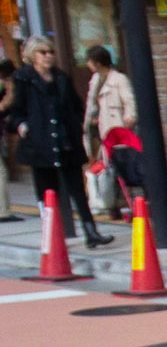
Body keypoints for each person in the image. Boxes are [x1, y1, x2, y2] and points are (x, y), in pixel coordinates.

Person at [10, 36, 100, 246]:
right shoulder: (23, 79)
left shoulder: (61, 78)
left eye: (51, 52)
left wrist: (78, 124)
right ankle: (51, 235)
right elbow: (17, 112)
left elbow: (76, 106)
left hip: (66, 141)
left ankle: (91, 232)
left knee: (78, 189)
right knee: (47, 193)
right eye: (43, 52)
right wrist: (23, 126)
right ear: (33, 56)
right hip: (40, 143)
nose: (48, 56)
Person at [82, 45, 137, 222]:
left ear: (97, 63)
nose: (87, 64)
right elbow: (92, 106)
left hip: (119, 130)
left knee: (123, 169)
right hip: (104, 129)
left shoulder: (119, 79)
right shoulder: (95, 80)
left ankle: (131, 204)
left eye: (89, 61)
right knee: (109, 170)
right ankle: (113, 205)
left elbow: (129, 100)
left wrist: (130, 117)